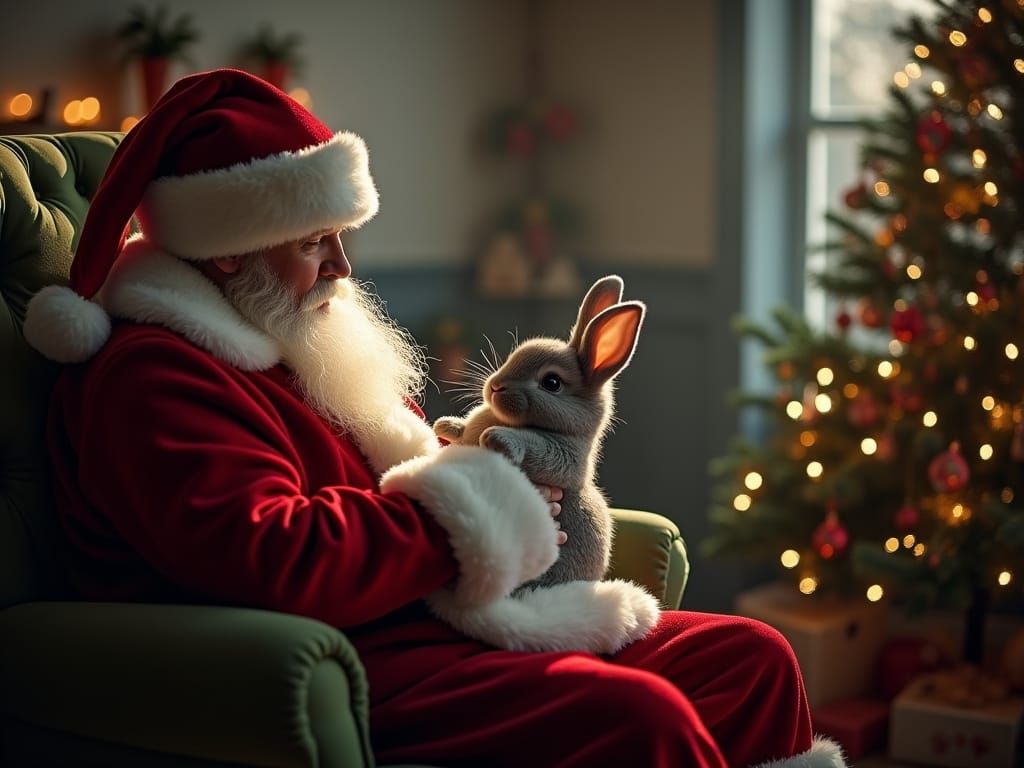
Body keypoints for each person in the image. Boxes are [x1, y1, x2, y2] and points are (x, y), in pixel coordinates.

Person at [24, 68, 845, 768]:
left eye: (341, 237)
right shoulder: (156, 375)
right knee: (641, 720)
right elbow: (268, 555)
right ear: (231, 247)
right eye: (317, 242)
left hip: (438, 618)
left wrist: (485, 471)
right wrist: (465, 508)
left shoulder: (297, 337)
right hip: (352, 658)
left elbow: (413, 467)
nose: (342, 268)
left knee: (752, 658)